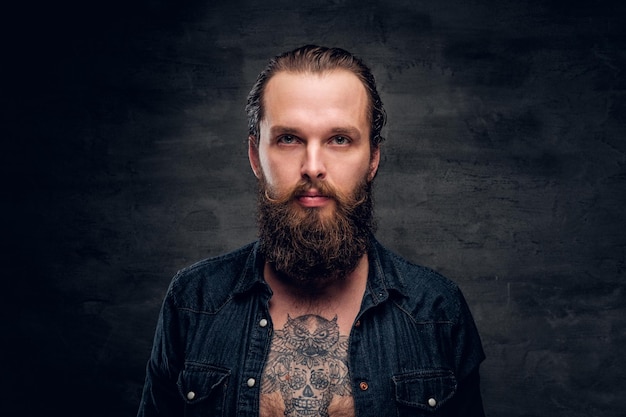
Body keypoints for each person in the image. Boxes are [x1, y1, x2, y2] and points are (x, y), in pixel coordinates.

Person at [137, 45, 486, 417]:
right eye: (289, 138)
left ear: (372, 159)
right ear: (256, 157)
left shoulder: (437, 310)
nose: (313, 167)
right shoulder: (193, 300)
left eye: (339, 139)